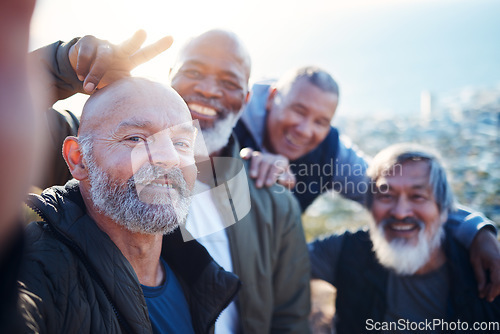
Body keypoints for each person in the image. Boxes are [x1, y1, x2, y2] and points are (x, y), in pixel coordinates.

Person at [235, 66, 500, 301]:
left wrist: (477, 230)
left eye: (321, 121)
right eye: (298, 111)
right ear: (271, 98)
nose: (305, 130)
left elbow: (391, 193)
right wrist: (242, 169)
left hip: (256, 275)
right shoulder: (229, 118)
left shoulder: (330, 153)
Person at [18, 77, 240, 333]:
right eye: (135, 138)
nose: (168, 158)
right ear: (78, 159)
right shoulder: (32, 271)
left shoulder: (196, 276)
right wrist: (54, 69)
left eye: (181, 143)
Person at [169, 29, 311, 334]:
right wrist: (63, 66)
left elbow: (290, 320)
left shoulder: (277, 202)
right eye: (193, 71)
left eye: (229, 83)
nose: (208, 90)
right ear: (169, 77)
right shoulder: (119, 167)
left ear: (245, 100)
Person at [308, 143, 500, 333]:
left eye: (417, 196)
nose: (400, 212)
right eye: (386, 195)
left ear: (443, 209)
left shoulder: (485, 270)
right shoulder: (347, 251)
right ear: (368, 204)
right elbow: (284, 257)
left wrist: (480, 231)